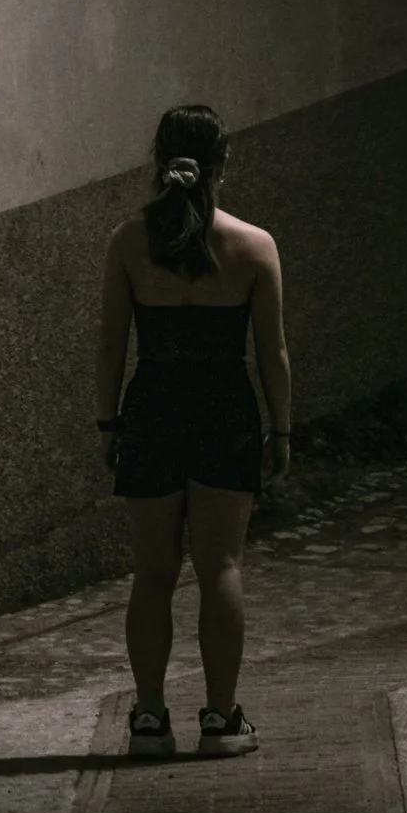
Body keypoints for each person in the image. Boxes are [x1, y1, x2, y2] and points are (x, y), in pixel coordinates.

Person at [93, 103, 291, 760]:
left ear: (158, 162)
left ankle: (150, 719)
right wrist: (283, 431)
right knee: (221, 567)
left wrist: (108, 423)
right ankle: (221, 718)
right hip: (224, 411)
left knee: (152, 572)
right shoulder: (254, 246)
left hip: (153, 407)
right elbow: (272, 353)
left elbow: (111, 346)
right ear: (222, 164)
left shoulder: (128, 243)